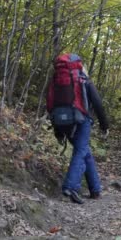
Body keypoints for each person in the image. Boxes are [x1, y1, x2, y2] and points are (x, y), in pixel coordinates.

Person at [46, 53, 110, 204]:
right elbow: (98, 104)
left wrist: (57, 127)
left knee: (85, 152)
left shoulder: (56, 79)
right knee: (81, 151)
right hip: (81, 120)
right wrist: (104, 126)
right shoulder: (84, 80)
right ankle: (70, 187)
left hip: (63, 121)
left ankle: (95, 189)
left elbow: (50, 103)